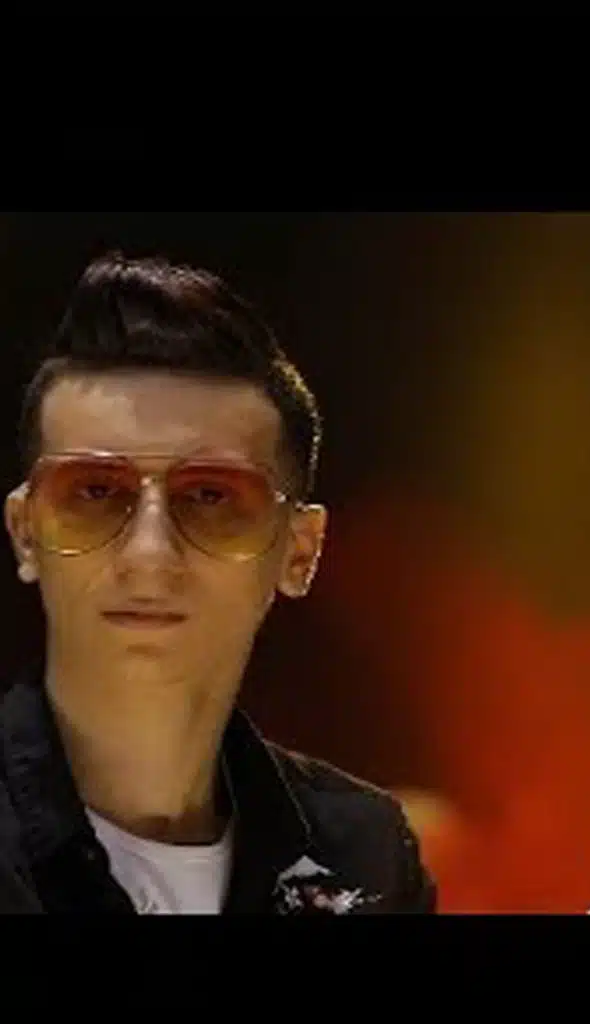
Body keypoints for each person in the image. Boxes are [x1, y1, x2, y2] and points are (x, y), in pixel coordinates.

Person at [0, 252, 435, 914]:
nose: (150, 555)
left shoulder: (365, 856)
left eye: (210, 496)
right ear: (25, 532)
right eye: (94, 491)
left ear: (300, 551)